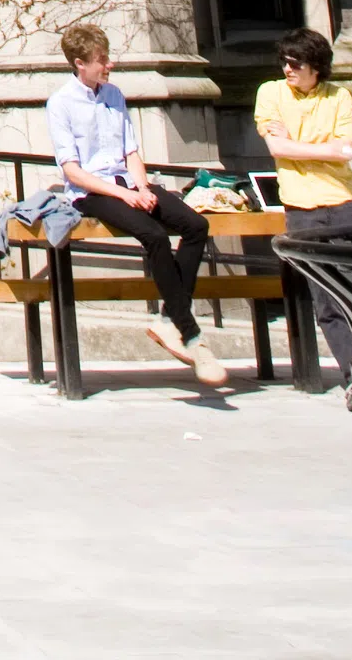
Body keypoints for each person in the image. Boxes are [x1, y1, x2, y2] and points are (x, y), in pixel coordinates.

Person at [47, 20, 228, 388]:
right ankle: (191, 334)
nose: (108, 65)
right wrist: (126, 195)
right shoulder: (61, 103)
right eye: (101, 60)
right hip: (93, 193)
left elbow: (131, 151)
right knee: (155, 237)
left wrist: (142, 187)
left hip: (128, 182)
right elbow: (74, 172)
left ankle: (167, 318)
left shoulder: (114, 95)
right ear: (80, 63)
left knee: (196, 226)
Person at [255, 25, 352, 396]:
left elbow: (347, 150)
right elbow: (277, 149)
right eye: (285, 62)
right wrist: (327, 150)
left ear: (316, 66)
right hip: (302, 208)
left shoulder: (339, 97)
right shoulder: (270, 93)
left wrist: (296, 145)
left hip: (344, 203)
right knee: (326, 301)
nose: (288, 69)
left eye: (296, 63)